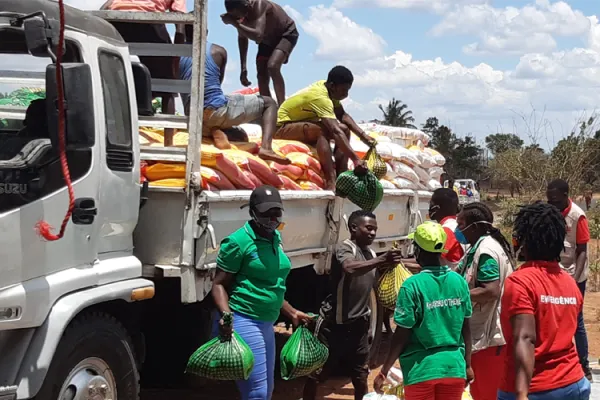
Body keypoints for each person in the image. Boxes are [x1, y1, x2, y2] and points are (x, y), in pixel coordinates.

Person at [211, 185, 312, 400]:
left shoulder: (275, 238)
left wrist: (292, 312)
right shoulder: (238, 242)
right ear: (252, 212)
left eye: (277, 213)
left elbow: (271, 285)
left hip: (267, 322)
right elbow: (218, 284)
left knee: (266, 391)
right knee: (256, 393)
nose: (272, 219)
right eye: (266, 213)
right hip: (244, 320)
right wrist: (226, 315)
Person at [302, 210, 403, 400]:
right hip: (334, 326)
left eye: (375, 230)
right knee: (319, 373)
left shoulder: (370, 253)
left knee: (360, 375)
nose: (373, 233)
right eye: (369, 228)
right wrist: (381, 259)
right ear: (354, 228)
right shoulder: (344, 248)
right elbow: (349, 267)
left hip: (359, 326)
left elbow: (376, 274)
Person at [498, 202, 591, 400]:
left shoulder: (520, 282)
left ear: (525, 241)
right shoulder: (570, 283)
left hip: (535, 388)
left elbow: (525, 338)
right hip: (574, 383)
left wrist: (522, 393)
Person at [375, 221, 473, 400]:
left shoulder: (411, 286)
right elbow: (466, 328)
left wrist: (384, 370)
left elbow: (401, 334)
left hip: (421, 370)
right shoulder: (459, 281)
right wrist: (468, 365)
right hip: (454, 368)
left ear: (417, 250)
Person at [179, 25, 289, 164]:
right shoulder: (218, 51)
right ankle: (266, 148)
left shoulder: (175, 54)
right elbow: (218, 83)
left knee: (240, 135)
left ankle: (213, 129)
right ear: (205, 31)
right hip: (216, 109)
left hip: (193, 119)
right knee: (269, 103)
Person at [275, 66, 374, 190]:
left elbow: (342, 116)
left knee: (344, 129)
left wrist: (363, 136)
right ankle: (330, 181)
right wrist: (356, 159)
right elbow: (334, 130)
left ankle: (341, 175)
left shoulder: (329, 91)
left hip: (301, 125)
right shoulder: (320, 97)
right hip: (282, 128)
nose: (346, 94)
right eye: (343, 90)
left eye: (348, 90)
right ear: (333, 86)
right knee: (323, 130)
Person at [102, 0, 185, 146]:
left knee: (113, 80)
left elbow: (108, 4)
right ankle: (168, 142)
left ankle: (115, 137)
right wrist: (175, 57)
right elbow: (180, 24)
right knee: (167, 88)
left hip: (117, 20)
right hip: (148, 21)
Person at [454, 202, 514, 400]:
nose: (458, 229)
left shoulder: (486, 250)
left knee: (484, 392)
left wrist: (454, 296)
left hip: (488, 337)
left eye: (461, 224)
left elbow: (491, 290)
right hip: (483, 333)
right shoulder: (479, 246)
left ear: (476, 226)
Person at [546, 179, 592, 381]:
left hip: (574, 274)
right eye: (549, 199)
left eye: (554, 199)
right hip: (554, 272)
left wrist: (573, 281)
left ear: (565, 196)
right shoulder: (550, 212)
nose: (551, 203)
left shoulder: (577, 216)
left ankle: (584, 365)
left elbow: (582, 251)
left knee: (576, 320)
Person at [221, 0, 299, 106]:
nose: (239, 18)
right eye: (235, 17)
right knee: (261, 75)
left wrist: (234, 23)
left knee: (272, 66)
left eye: (239, 15)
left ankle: (282, 108)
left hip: (286, 34)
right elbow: (242, 38)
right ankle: (268, 108)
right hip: (267, 40)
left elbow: (258, 35)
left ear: (247, 6)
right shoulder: (239, 15)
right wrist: (243, 68)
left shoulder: (260, 5)